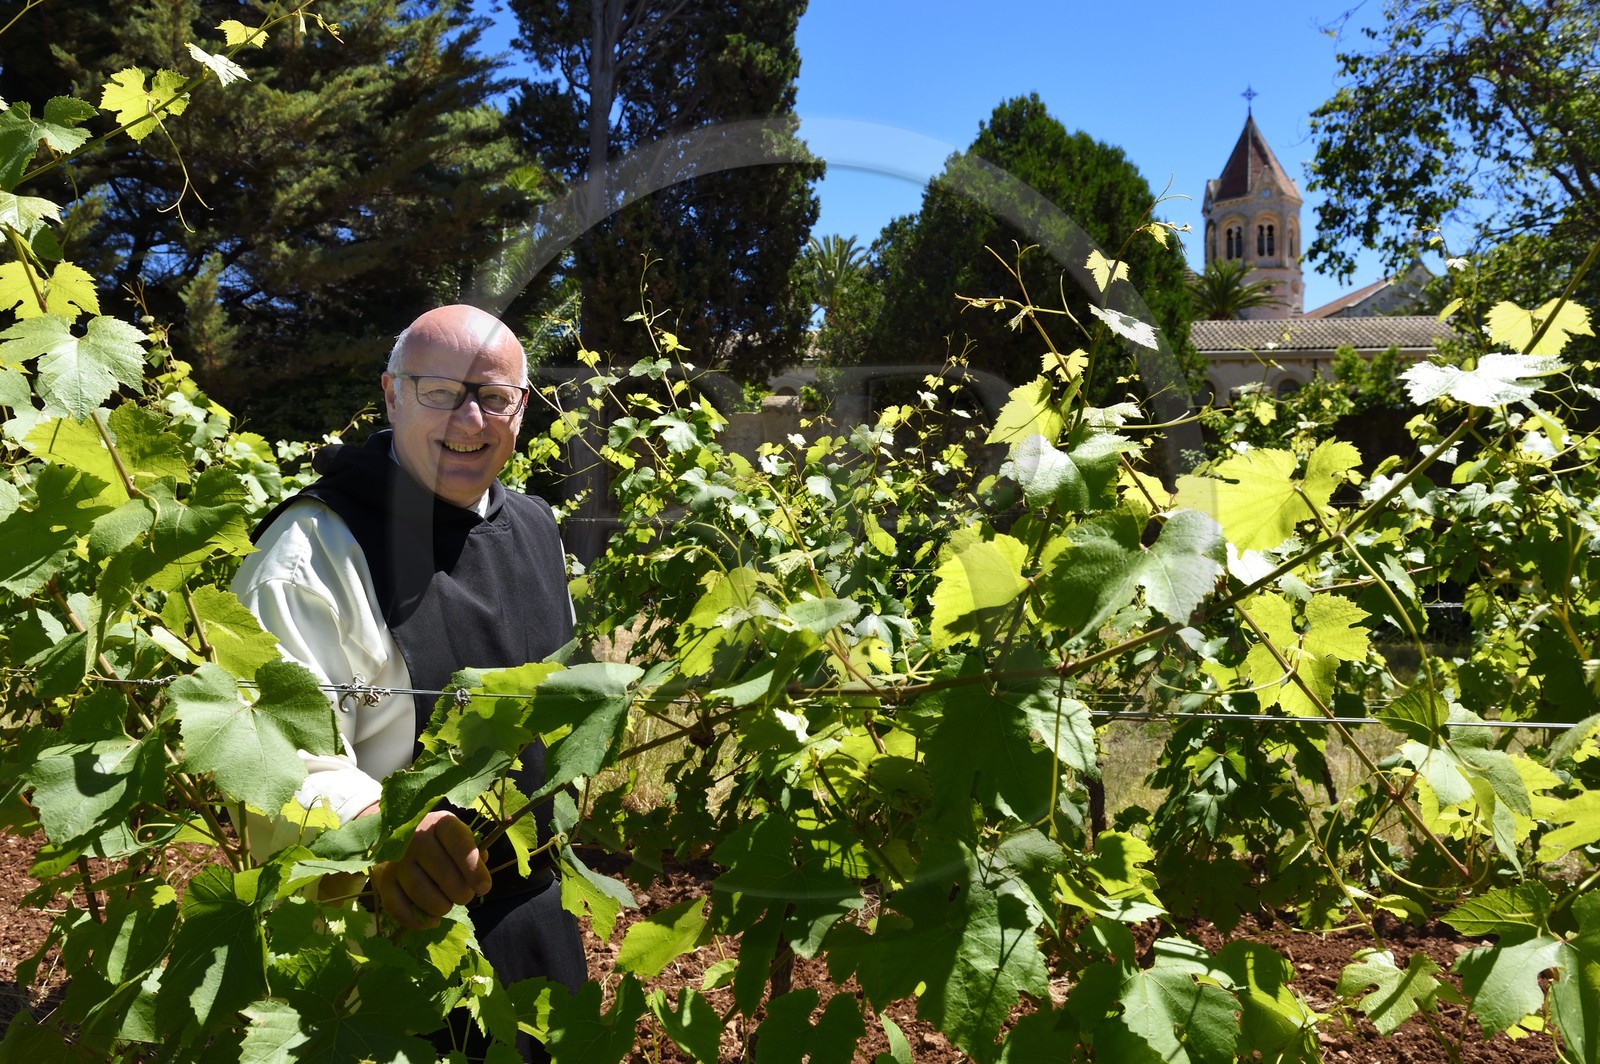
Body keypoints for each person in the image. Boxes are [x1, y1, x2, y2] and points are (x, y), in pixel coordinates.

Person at [232, 304, 584, 1061]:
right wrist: (382, 831)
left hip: (537, 926)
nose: (470, 416)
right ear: (392, 395)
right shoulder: (311, 554)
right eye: (438, 390)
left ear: (520, 412)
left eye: (494, 396)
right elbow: (273, 756)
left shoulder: (535, 527)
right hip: (392, 950)